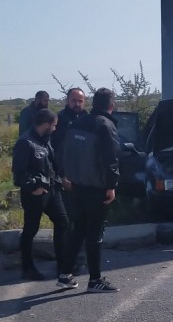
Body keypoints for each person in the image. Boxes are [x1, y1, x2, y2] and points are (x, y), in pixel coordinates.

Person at [58, 88, 120, 293]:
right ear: (111, 105)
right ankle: (95, 280)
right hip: (97, 188)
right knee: (95, 233)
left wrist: (68, 176)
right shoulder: (105, 125)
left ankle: (65, 275)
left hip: (76, 186)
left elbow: (65, 152)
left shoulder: (77, 123)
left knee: (77, 230)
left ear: (93, 103)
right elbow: (111, 159)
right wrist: (111, 186)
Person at [12, 109, 69, 280]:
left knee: (63, 223)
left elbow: (52, 162)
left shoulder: (45, 140)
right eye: (53, 126)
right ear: (45, 125)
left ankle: (63, 266)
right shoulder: (25, 142)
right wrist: (32, 187)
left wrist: (62, 178)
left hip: (52, 190)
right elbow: (19, 173)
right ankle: (27, 268)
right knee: (31, 229)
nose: (55, 129)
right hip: (35, 193)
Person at [51, 87, 89, 275]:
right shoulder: (60, 121)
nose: (77, 104)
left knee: (82, 220)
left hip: (85, 178)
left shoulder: (87, 119)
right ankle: (65, 263)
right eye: (74, 100)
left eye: (80, 101)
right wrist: (62, 175)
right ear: (67, 101)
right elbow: (56, 151)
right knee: (68, 222)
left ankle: (79, 261)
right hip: (66, 179)